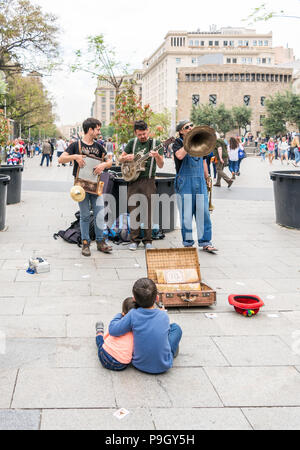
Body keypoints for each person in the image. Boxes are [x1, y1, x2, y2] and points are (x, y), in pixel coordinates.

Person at [58, 117, 113, 257]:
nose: (99, 132)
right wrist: (75, 156)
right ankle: (85, 243)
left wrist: (103, 165)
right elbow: (61, 159)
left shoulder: (99, 146)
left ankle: (101, 242)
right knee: (84, 216)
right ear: (90, 129)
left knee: (100, 213)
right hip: (81, 187)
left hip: (95, 186)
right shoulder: (75, 145)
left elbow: (110, 162)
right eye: (98, 129)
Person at [108, 278, 182, 375]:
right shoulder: (163, 315)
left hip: (139, 364)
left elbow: (113, 330)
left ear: (134, 299)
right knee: (176, 328)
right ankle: (170, 352)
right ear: (157, 298)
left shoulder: (133, 314)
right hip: (164, 365)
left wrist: (120, 315)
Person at [173, 120, 218, 253]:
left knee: (203, 212)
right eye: (187, 127)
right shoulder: (177, 143)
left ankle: (205, 242)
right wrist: (189, 142)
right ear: (181, 131)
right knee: (186, 214)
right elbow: (179, 156)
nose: (191, 128)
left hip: (200, 181)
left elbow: (204, 161)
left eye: (192, 126)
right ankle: (188, 243)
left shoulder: (200, 140)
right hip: (185, 181)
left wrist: (207, 177)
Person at [119, 121, 164, 251]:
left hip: (148, 181)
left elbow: (161, 165)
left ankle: (148, 240)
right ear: (135, 133)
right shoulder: (132, 143)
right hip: (133, 181)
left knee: (148, 212)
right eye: (139, 134)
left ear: (148, 130)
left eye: (144, 133)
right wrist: (127, 157)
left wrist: (157, 157)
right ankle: (134, 240)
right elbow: (120, 159)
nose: (142, 136)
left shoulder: (156, 144)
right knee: (134, 211)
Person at [95, 297, 136, 372]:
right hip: (122, 364)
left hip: (105, 357)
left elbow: (108, 335)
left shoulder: (118, 326)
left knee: (101, 342)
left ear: (123, 314)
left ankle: (99, 333)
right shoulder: (137, 329)